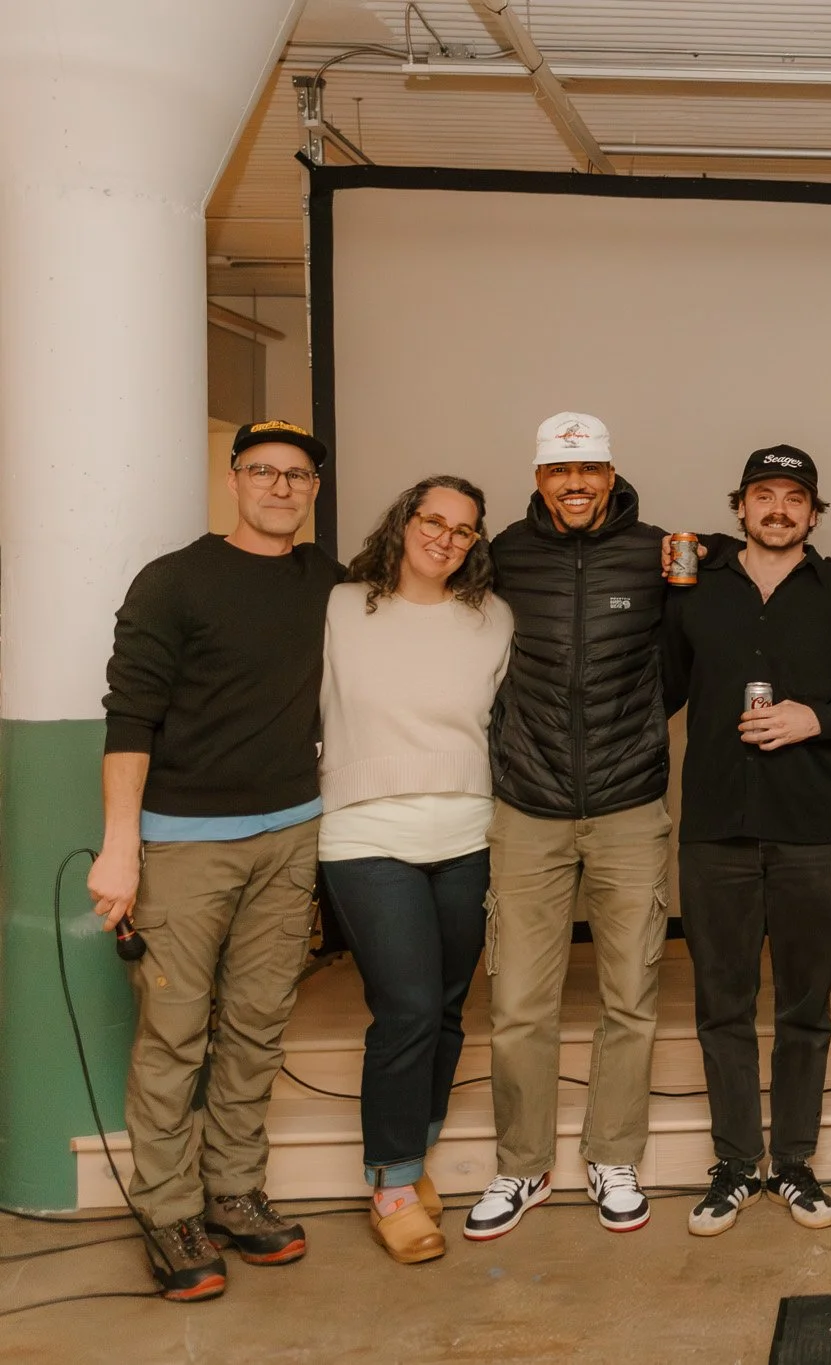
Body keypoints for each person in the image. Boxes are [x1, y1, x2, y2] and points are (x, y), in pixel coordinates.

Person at [87, 420, 341, 1302]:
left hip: (291, 835)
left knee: (258, 1022)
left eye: (297, 475)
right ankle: (169, 1211)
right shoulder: (174, 582)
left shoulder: (327, 582)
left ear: (313, 488)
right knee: (174, 1034)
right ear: (234, 480)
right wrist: (121, 852)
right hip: (182, 843)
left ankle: (234, 1191)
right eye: (263, 471)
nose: (281, 487)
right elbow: (129, 721)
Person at [660, 445, 831, 1237]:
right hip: (715, 828)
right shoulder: (694, 594)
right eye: (765, 494)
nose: (779, 508)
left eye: (795, 497)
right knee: (721, 1006)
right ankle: (734, 1164)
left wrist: (814, 717)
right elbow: (659, 687)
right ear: (740, 508)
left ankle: (793, 1160)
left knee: (805, 1007)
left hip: (815, 831)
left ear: (814, 513)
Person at [463, 412, 672, 1242]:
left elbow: (689, 651)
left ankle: (613, 1154)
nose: (575, 485)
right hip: (527, 806)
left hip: (629, 804)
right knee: (518, 1000)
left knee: (632, 996)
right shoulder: (502, 553)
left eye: (588, 470)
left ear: (612, 471)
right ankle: (522, 1164)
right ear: (540, 476)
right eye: (560, 471)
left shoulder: (656, 553)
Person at [318, 477, 512, 1264]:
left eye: (464, 530)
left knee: (447, 1006)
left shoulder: (492, 618)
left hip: (466, 830)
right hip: (366, 833)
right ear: (403, 522)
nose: (446, 537)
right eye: (433, 520)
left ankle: (410, 1155)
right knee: (403, 1006)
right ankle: (393, 1187)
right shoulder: (338, 606)